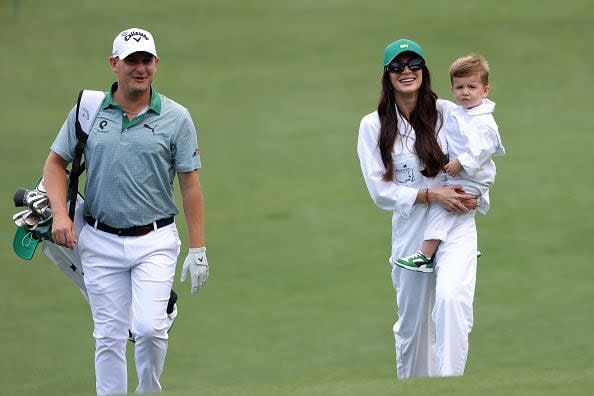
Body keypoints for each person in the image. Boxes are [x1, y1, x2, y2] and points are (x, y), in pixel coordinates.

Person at [43, 27, 208, 395]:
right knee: (109, 336)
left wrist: (198, 250)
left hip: (155, 239)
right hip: (99, 240)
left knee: (150, 329)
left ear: (156, 63)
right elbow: (55, 164)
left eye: (146, 60)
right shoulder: (88, 110)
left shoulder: (177, 118)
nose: (140, 68)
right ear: (114, 64)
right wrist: (60, 214)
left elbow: (190, 186)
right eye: (131, 60)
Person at [357, 38, 481, 378]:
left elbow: (477, 160)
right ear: (387, 75)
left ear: (424, 70)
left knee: (452, 301)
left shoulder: (448, 113)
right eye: (397, 66)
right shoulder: (373, 125)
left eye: (413, 64)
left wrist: (476, 196)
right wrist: (431, 196)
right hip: (412, 231)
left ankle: (450, 383)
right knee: (413, 329)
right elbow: (380, 191)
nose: (406, 71)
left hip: (456, 221)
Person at [395, 54, 505, 272]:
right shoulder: (460, 112)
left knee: (444, 207)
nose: (465, 92)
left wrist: (460, 163)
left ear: (485, 90)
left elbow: (482, 149)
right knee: (449, 205)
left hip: (470, 175)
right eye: (459, 87)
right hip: (464, 174)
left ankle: (425, 255)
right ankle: (461, 249)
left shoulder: (482, 122)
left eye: (472, 87)